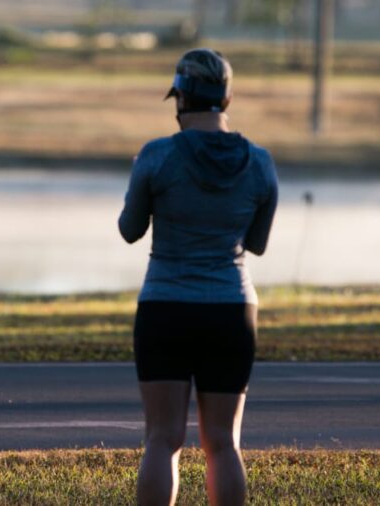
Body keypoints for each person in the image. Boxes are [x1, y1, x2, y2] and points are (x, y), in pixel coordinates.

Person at [118, 48, 279, 506]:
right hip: (231, 309)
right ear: (225, 101)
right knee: (224, 443)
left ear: (182, 99)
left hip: (165, 307)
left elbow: (130, 231)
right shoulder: (260, 162)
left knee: (162, 440)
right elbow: (258, 244)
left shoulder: (156, 156)